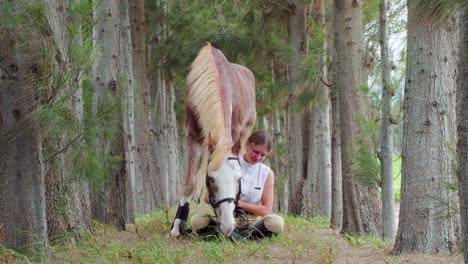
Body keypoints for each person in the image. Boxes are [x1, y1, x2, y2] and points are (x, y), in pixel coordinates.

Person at [190, 131, 284, 241]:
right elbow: (207, 198)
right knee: (197, 221)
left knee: (277, 223)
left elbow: (266, 211)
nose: (258, 157)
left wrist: (239, 203)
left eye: (263, 155)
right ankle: (246, 237)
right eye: (256, 152)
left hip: (252, 221)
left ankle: (234, 236)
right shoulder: (229, 164)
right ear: (247, 145)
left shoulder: (267, 173)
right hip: (227, 216)